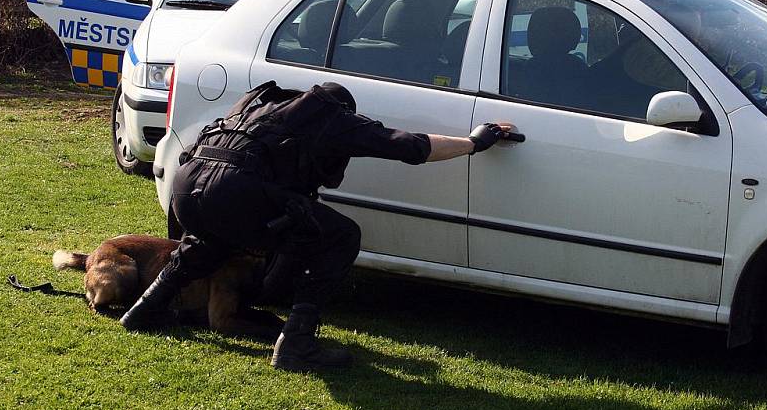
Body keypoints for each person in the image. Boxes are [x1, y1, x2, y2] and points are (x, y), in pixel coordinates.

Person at [120, 81, 511, 372]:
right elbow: (411, 146)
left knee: (210, 241)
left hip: (187, 185)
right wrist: (474, 143)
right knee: (339, 236)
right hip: (235, 187)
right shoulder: (332, 117)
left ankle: (145, 309)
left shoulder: (265, 106)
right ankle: (297, 343)